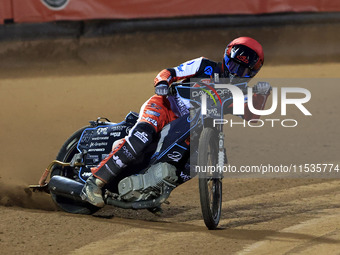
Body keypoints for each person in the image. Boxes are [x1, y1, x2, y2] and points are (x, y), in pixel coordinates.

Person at [81, 36, 272, 207]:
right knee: (142, 136)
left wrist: (262, 96)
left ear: (253, 73)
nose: (235, 72)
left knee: (193, 165)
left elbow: (251, 117)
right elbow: (168, 72)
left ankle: (150, 189)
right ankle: (94, 182)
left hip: (195, 129)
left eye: (243, 70)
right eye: (233, 65)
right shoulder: (203, 65)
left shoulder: (243, 94)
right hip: (165, 107)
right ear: (226, 58)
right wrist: (162, 83)